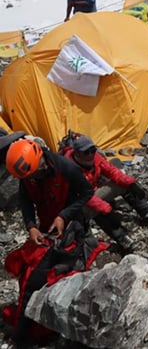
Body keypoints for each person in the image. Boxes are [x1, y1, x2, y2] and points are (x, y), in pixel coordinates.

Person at [4, 138, 94, 346]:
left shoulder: (66, 168)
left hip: (70, 228)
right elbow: (25, 199)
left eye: (35, 175)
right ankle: (32, 324)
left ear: (41, 161)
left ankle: (25, 334)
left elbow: (87, 192)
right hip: (46, 227)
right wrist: (31, 226)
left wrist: (64, 215)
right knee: (28, 272)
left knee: (36, 278)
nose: (33, 179)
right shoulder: (28, 173)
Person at [60, 134, 148, 249]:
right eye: (86, 152)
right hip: (76, 206)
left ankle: (146, 212)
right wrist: (108, 210)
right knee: (97, 209)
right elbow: (87, 198)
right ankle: (122, 238)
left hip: (91, 192)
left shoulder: (94, 157)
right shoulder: (69, 169)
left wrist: (131, 184)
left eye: (93, 150)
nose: (90, 154)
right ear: (77, 153)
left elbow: (112, 171)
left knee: (121, 184)